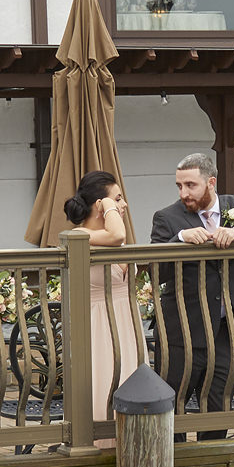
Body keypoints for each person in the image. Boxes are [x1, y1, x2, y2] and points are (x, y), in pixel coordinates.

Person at [149, 152, 234, 439]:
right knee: (174, 404)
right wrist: (178, 240)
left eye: (190, 185)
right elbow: (156, 274)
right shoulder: (166, 218)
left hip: (224, 329)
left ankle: (212, 463)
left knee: (219, 403)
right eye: (179, 186)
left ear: (211, 183)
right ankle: (177, 464)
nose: (184, 193)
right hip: (181, 331)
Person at [63, 170, 139, 444]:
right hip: (98, 323)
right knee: (106, 382)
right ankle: (101, 446)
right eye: (118, 198)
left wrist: (111, 204)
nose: (124, 204)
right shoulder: (81, 234)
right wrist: (108, 206)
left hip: (125, 320)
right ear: (100, 205)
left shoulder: (106, 234)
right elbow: (118, 235)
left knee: (129, 379)